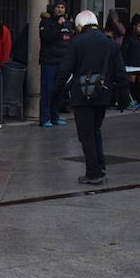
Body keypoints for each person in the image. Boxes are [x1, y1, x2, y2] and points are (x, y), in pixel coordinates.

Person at [51, 10, 127, 185]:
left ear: (80, 26)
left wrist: (55, 93)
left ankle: (93, 173)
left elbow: (64, 71)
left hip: (82, 94)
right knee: (95, 130)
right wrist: (123, 96)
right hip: (102, 93)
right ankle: (100, 165)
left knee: (86, 134)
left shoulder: (77, 41)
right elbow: (120, 71)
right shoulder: (110, 43)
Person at [38, 0, 75, 127]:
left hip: (62, 62)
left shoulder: (67, 23)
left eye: (62, 7)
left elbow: (70, 40)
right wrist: (58, 26)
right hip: (49, 62)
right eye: (58, 7)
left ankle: (55, 116)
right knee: (47, 90)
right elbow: (46, 37)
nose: (60, 10)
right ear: (53, 9)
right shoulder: (46, 22)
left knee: (59, 90)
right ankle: (45, 119)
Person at [121, 14, 140, 110]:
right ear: (134, 26)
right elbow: (124, 51)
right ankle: (131, 100)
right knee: (132, 80)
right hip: (132, 63)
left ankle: (136, 99)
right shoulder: (129, 37)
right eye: (139, 26)